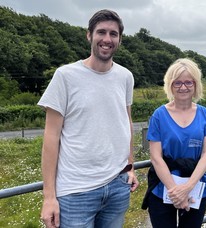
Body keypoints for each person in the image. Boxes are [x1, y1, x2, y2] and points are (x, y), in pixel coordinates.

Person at [38, 9, 139, 228]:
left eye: (113, 34)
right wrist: (49, 197)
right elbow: (51, 136)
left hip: (117, 186)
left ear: (119, 39)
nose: (107, 39)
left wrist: (130, 166)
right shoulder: (65, 76)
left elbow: (126, 121)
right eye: (101, 32)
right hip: (75, 192)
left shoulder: (125, 76)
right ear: (89, 35)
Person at [142, 58, 206, 228]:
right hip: (163, 188)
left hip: (196, 187)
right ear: (170, 85)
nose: (183, 87)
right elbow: (156, 157)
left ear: (196, 84)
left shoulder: (205, 114)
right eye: (177, 83)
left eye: (188, 82)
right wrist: (175, 191)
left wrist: (187, 188)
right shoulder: (159, 115)